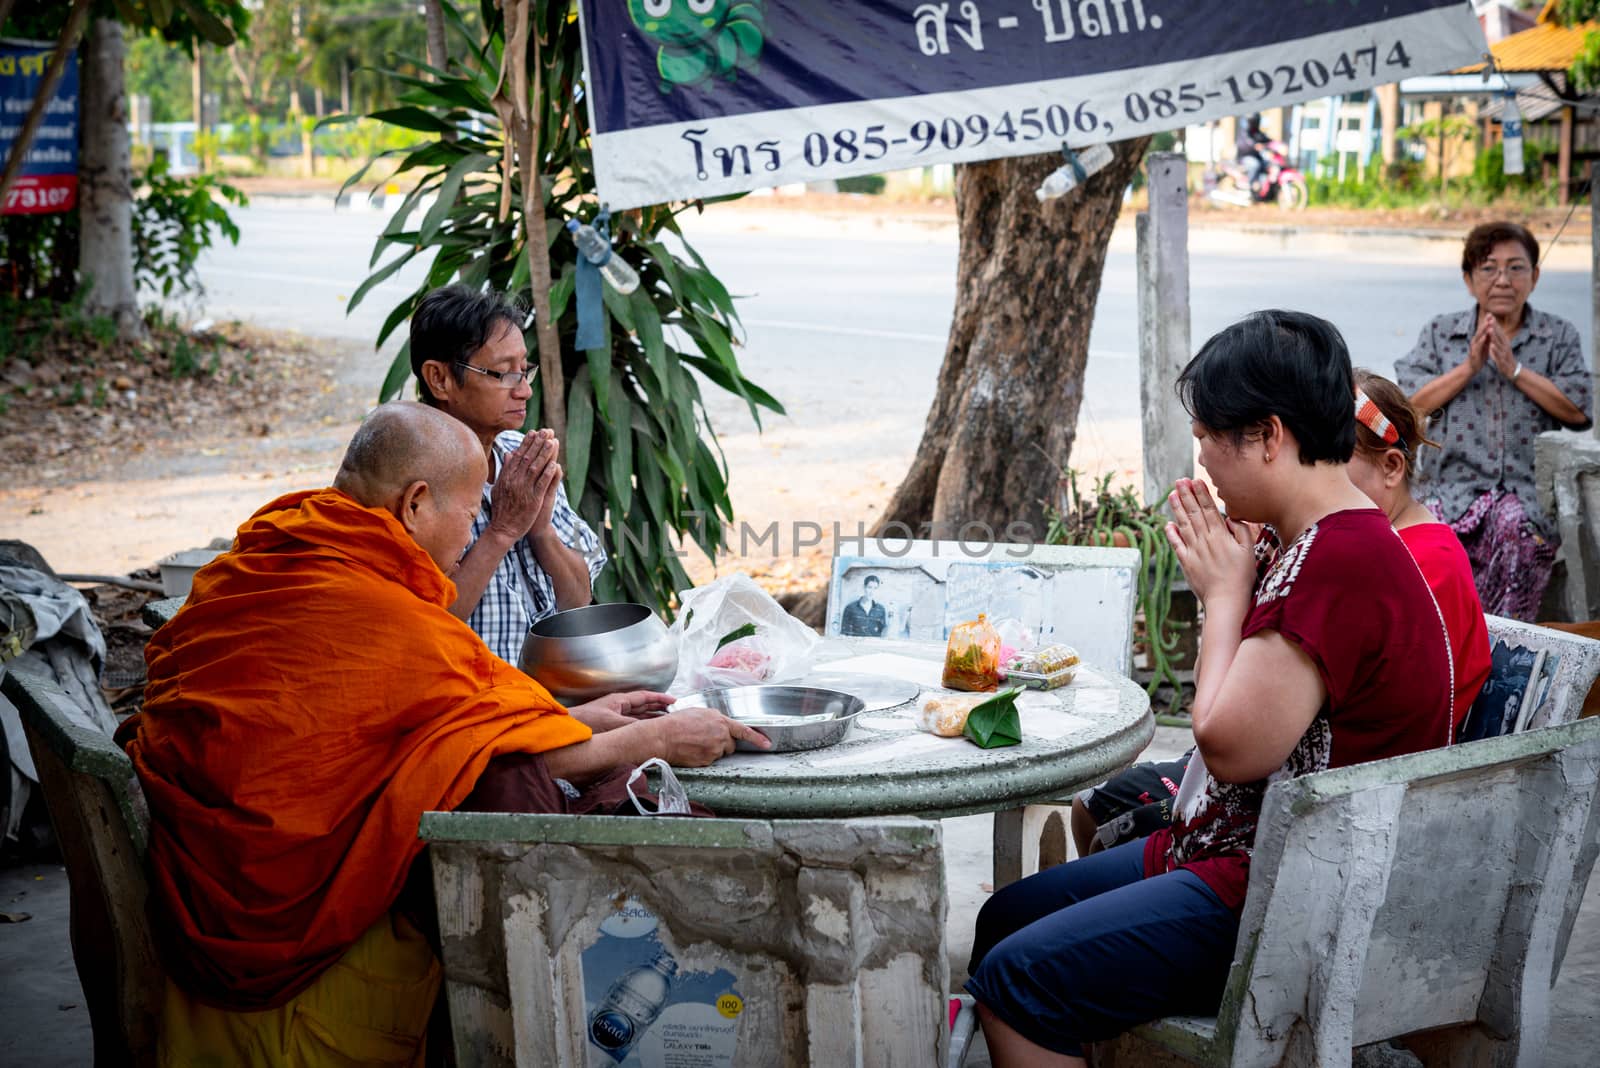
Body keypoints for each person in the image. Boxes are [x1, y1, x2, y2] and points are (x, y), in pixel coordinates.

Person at [117, 403, 767, 1065]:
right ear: (417, 504)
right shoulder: (377, 609)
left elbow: (418, 720)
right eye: (470, 514)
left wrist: (577, 719)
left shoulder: (272, 547)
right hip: (276, 911)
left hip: (203, 855)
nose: (471, 536)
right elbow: (468, 722)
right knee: (511, 790)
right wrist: (660, 740)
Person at [966, 311, 1453, 1066]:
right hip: (1250, 847)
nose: (1201, 467)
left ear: (1266, 436)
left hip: (1288, 894)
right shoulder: (1319, 536)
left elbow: (1228, 746)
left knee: (1016, 981)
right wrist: (1241, 577)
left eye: (1206, 442)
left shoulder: (1339, 562)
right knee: (1006, 917)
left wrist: (1223, 599)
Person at [1071, 370, 1493, 855]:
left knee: (1112, 822)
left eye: (1334, 457)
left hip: (1356, 796)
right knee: (1092, 806)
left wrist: (1230, 594)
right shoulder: (1333, 545)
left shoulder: (1396, 563)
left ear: (1392, 467)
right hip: (1284, 749)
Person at [1396, 221, 1591, 620]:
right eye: (1488, 268)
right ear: (1469, 280)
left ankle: (1503, 656)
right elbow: (1408, 408)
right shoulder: (1440, 333)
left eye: (1516, 267)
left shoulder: (1557, 336)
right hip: (1449, 490)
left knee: (1519, 538)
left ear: (1535, 277)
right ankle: (1445, 658)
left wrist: (1515, 370)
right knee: (1424, 550)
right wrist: (1469, 367)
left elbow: (1579, 411)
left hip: (1526, 495)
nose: (1503, 280)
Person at [410, 284, 605, 663]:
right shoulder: (411, 481)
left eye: (524, 370)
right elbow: (426, 625)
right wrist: (501, 531)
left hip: (551, 689)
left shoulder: (520, 456)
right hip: (475, 705)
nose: (525, 391)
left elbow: (577, 600)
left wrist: (541, 530)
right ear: (440, 379)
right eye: (503, 374)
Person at [1235, 113, 1270, 198]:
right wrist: (1254, 146)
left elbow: (1265, 139)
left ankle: (1262, 190)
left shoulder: (1257, 132)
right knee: (1255, 165)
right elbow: (1245, 143)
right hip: (1244, 158)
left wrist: (1274, 143)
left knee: (1267, 164)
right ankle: (1249, 187)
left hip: (1257, 157)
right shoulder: (1245, 132)